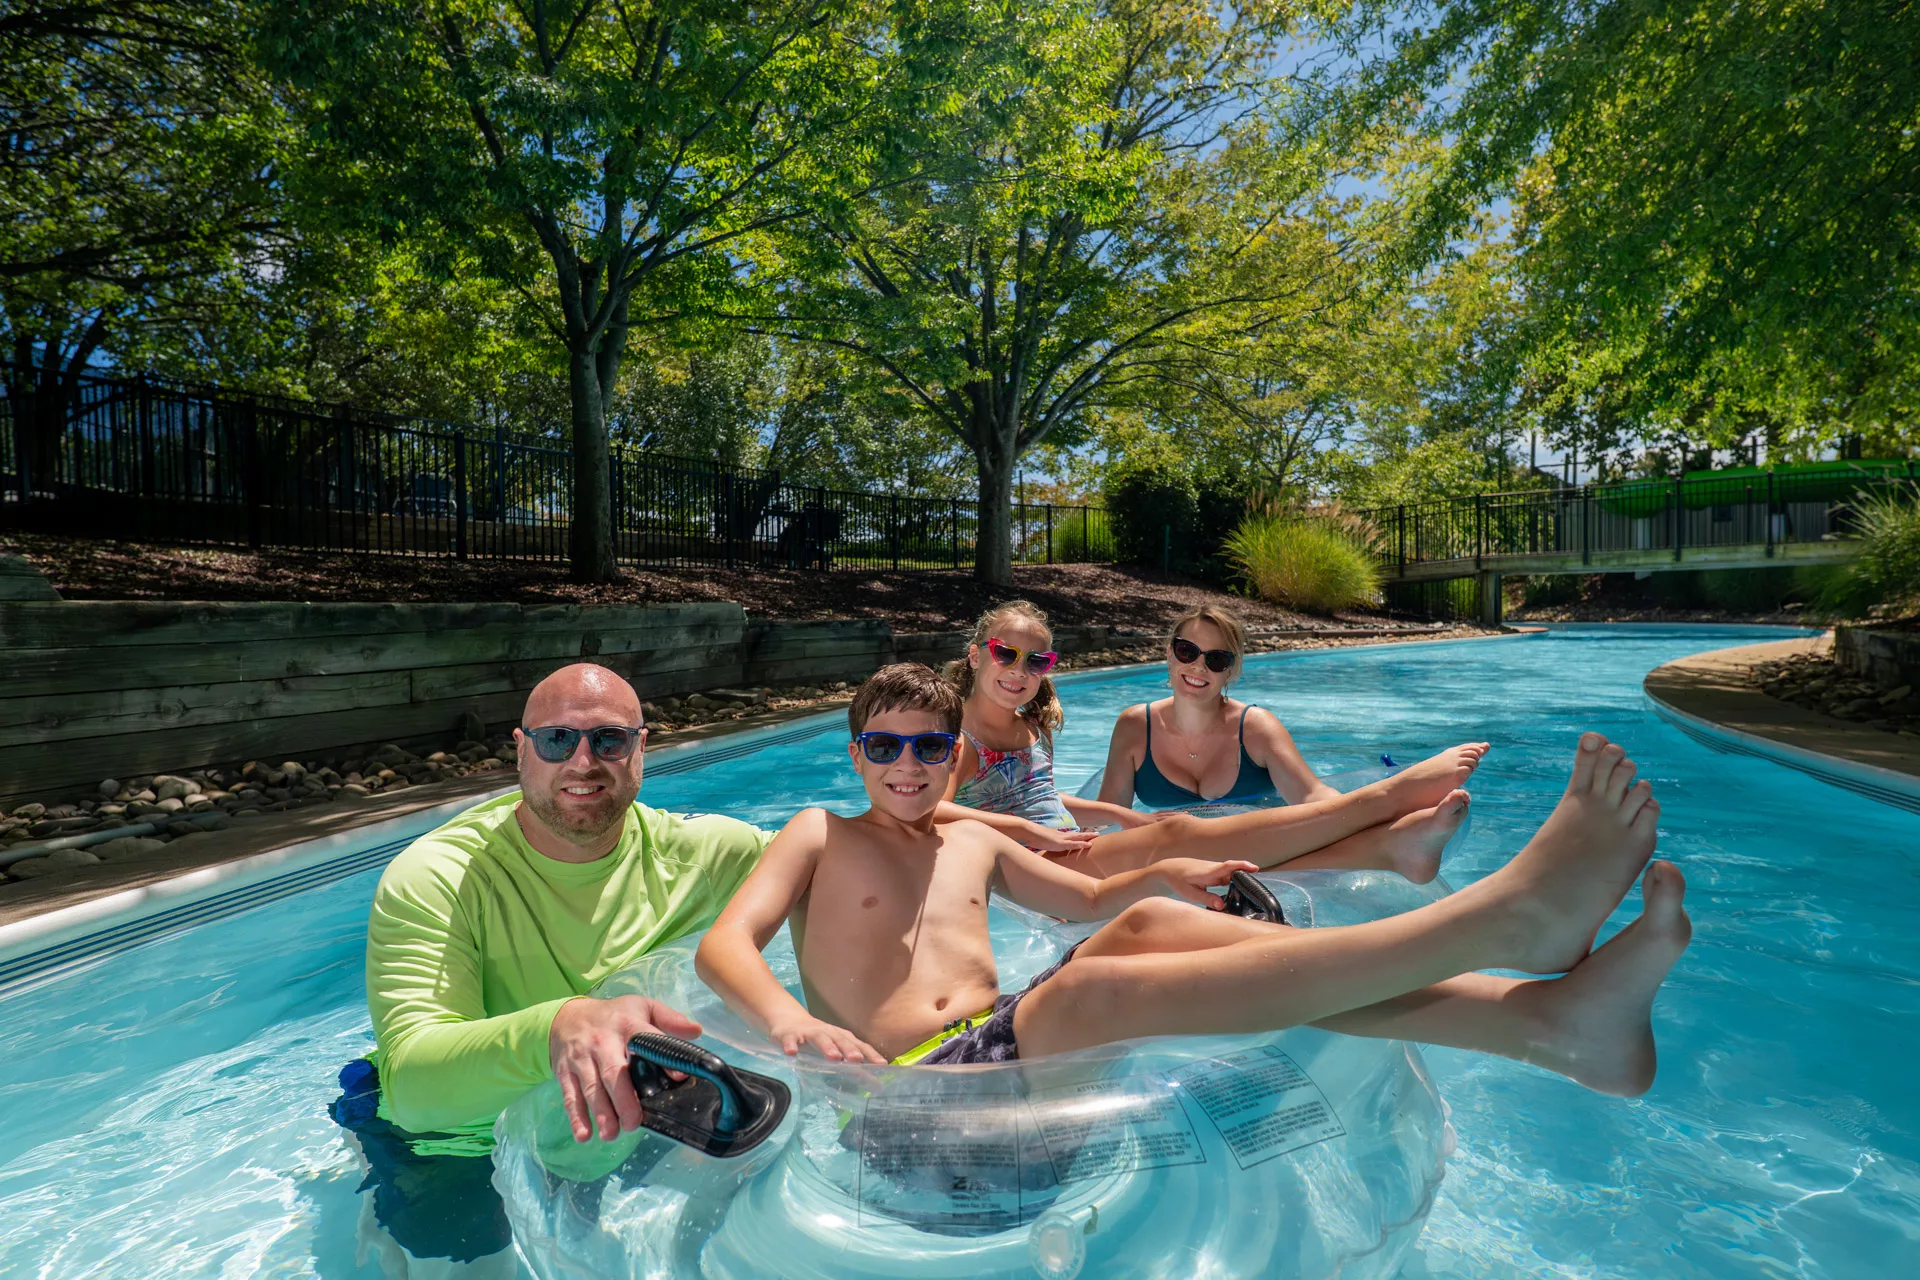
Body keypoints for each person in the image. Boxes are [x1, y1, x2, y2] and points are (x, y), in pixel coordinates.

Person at [698, 663, 1691, 1097]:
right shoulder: (818, 829)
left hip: (996, 1056)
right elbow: (724, 944)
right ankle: (1501, 925)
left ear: (952, 750)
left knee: (1138, 933)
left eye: (926, 746)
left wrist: (1163, 873)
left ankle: (1547, 1024)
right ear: (854, 751)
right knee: (1087, 984)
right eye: (883, 746)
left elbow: (1088, 902)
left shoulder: (972, 843)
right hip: (906, 1100)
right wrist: (791, 1024)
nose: (906, 765)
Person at [332, 663, 773, 1278]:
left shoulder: (705, 855)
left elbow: (845, 862)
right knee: (473, 1266)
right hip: (456, 1135)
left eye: (610, 740)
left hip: (604, 1119)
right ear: (521, 751)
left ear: (641, 747)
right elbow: (413, 1086)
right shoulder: (440, 877)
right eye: (557, 740)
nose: (583, 762)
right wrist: (558, 1027)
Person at [936, 600, 1486, 882]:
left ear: (1231, 671)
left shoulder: (1030, 726)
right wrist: (1050, 831)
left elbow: (1043, 795)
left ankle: (1391, 848)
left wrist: (1119, 818)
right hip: (1043, 860)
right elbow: (937, 812)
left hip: (1064, 843)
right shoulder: (955, 739)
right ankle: (1388, 802)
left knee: (1191, 851)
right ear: (976, 654)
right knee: (1181, 836)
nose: (1019, 670)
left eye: (1035, 661)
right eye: (1005, 654)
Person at [1097, 604, 1341, 810]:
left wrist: (1368, 808)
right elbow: (1107, 818)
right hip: (1173, 862)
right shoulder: (1134, 727)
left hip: (1257, 860)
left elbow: (1311, 796)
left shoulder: (1257, 729)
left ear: (1230, 671)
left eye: (1216, 659)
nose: (1199, 667)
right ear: (1169, 653)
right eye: (1187, 651)